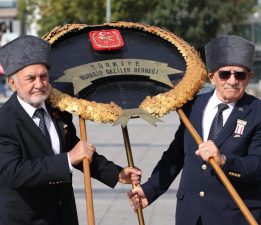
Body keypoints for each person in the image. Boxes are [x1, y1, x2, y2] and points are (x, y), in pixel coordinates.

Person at [0, 35, 141, 225]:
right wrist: (67, 160)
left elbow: (75, 148)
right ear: (12, 83)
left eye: (43, 76)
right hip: (25, 219)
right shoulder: (4, 121)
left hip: (64, 216)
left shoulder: (56, 109)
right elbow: (13, 173)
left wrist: (116, 173)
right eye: (31, 78)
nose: (39, 84)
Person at [128, 35, 261, 225]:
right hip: (190, 215)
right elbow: (176, 154)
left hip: (233, 216)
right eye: (225, 74)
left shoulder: (257, 112)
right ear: (212, 77)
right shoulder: (193, 106)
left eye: (239, 74)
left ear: (249, 78)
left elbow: (257, 166)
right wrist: (151, 190)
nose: (232, 81)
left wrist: (224, 160)